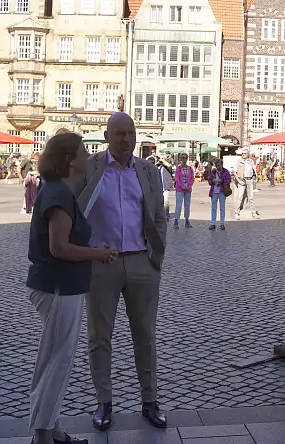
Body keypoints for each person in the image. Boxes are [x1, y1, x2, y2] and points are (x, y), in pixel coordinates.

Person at [76, 113, 167, 431]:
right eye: (119, 134)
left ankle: (150, 400)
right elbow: (75, 208)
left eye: (130, 133)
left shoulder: (148, 170)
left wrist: (157, 256)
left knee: (145, 334)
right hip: (102, 262)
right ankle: (104, 402)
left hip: (142, 260)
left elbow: (159, 213)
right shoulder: (91, 167)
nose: (126, 139)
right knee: (99, 336)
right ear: (107, 135)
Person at [26, 133, 118, 444]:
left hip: (62, 284)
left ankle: (50, 430)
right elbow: (59, 247)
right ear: (69, 160)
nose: (87, 155)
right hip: (58, 285)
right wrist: (98, 253)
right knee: (58, 360)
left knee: (54, 358)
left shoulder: (59, 191)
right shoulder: (58, 195)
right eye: (82, 151)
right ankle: (43, 435)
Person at [233, 148, 260, 220]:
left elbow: (254, 170)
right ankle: (236, 212)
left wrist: (255, 178)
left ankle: (253, 213)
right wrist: (238, 180)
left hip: (250, 180)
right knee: (240, 196)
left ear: (248, 154)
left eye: (244, 153)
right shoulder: (239, 161)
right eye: (242, 153)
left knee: (251, 197)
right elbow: (234, 172)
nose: (243, 155)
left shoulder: (250, 161)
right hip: (242, 180)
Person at [207, 158, 232, 230]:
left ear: (222, 165)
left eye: (219, 165)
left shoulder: (225, 171)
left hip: (222, 191)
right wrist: (213, 181)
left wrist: (222, 181)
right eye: (216, 165)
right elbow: (209, 181)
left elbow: (228, 180)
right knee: (213, 208)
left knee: (222, 208)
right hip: (214, 191)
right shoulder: (213, 172)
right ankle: (213, 223)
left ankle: (222, 223)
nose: (218, 167)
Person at [173, 154, 193, 229]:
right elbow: (177, 178)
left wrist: (188, 186)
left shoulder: (190, 168)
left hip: (188, 189)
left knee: (187, 205)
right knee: (178, 205)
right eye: (183, 158)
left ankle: (187, 220)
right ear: (180, 159)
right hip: (180, 189)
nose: (184, 160)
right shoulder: (178, 168)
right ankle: (176, 221)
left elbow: (192, 178)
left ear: (187, 159)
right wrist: (182, 186)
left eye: (185, 158)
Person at [158, 155, 174, 220]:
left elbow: (170, 166)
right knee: (159, 202)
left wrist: (163, 160)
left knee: (166, 201)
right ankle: (160, 215)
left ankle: (166, 215)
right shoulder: (159, 166)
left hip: (166, 185)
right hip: (159, 186)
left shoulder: (167, 166)